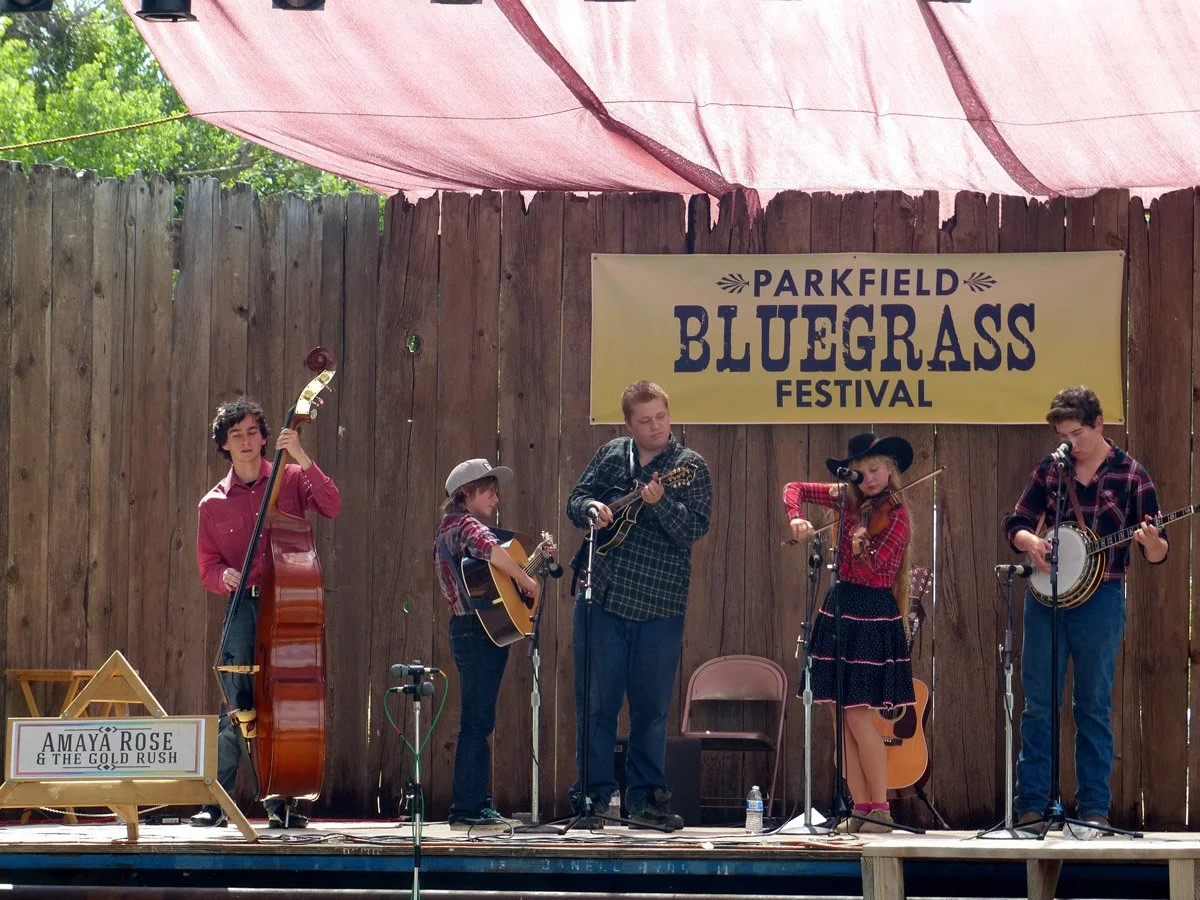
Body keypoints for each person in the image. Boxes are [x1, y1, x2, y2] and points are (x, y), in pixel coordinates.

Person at [1003, 385, 1167, 831]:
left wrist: (1152, 543)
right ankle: (1031, 807)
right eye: (1063, 435)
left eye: (1077, 433)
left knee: (1092, 705)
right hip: (1045, 599)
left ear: (1099, 424)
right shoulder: (1051, 468)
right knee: (1039, 705)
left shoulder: (1132, 475)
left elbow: (1158, 552)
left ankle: (1093, 811)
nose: (1070, 443)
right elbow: (1016, 522)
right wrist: (1029, 541)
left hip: (1102, 599)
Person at [566, 380, 711, 831]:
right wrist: (591, 507)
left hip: (660, 603)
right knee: (596, 704)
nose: (656, 428)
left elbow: (694, 528)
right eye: (645, 421)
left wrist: (662, 502)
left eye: (662, 418)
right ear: (629, 424)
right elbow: (575, 499)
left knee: (650, 709)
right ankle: (592, 797)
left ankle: (647, 802)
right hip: (602, 596)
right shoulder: (611, 455)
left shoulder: (690, 467)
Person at [193, 397, 342, 829]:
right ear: (224, 445)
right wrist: (224, 577)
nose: (245, 440)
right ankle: (218, 803)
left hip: (289, 603)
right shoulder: (212, 504)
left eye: (253, 432)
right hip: (243, 606)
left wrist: (299, 454)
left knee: (284, 705)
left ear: (264, 437)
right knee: (234, 702)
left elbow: (331, 505)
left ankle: (284, 802)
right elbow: (207, 566)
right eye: (235, 434)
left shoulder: (290, 477)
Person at [784, 432, 917, 834]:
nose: (870, 479)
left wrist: (859, 544)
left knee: (859, 719)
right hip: (839, 608)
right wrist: (796, 516)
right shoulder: (847, 498)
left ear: (891, 468)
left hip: (872, 613)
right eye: (861, 473)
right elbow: (795, 487)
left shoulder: (897, 516)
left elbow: (874, 572)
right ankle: (860, 808)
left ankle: (880, 811)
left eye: (876, 470)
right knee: (838, 718)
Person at [435, 458, 543, 831]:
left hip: (478, 629)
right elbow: (493, 552)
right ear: (466, 493)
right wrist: (526, 583)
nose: (495, 498)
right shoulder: (463, 524)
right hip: (474, 631)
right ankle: (467, 807)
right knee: (476, 721)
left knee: (480, 719)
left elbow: (493, 572)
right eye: (488, 490)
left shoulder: (459, 527)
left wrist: (528, 566)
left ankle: (476, 802)